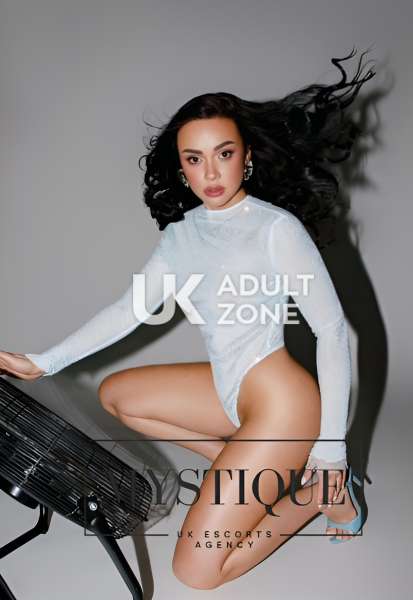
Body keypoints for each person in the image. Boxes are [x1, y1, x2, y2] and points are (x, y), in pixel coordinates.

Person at [0, 48, 375, 589]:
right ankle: (251, 469)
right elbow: (130, 310)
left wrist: (332, 452)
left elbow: (332, 332)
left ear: (246, 157)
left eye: (224, 153)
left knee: (195, 571)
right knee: (117, 395)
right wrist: (42, 362)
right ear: (181, 168)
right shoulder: (183, 236)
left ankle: (321, 496)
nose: (211, 172)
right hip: (231, 392)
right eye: (195, 159)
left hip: (285, 405)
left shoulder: (276, 229)